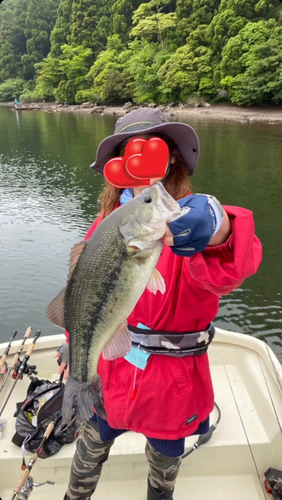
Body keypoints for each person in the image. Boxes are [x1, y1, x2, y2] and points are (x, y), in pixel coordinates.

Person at [59, 107, 262, 500]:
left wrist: (221, 227)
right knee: (88, 454)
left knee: (164, 471)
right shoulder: (106, 226)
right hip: (112, 374)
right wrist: (72, 340)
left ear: (173, 159)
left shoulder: (193, 226)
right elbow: (81, 293)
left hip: (172, 389)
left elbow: (234, 266)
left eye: (153, 150)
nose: (141, 166)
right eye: (127, 154)